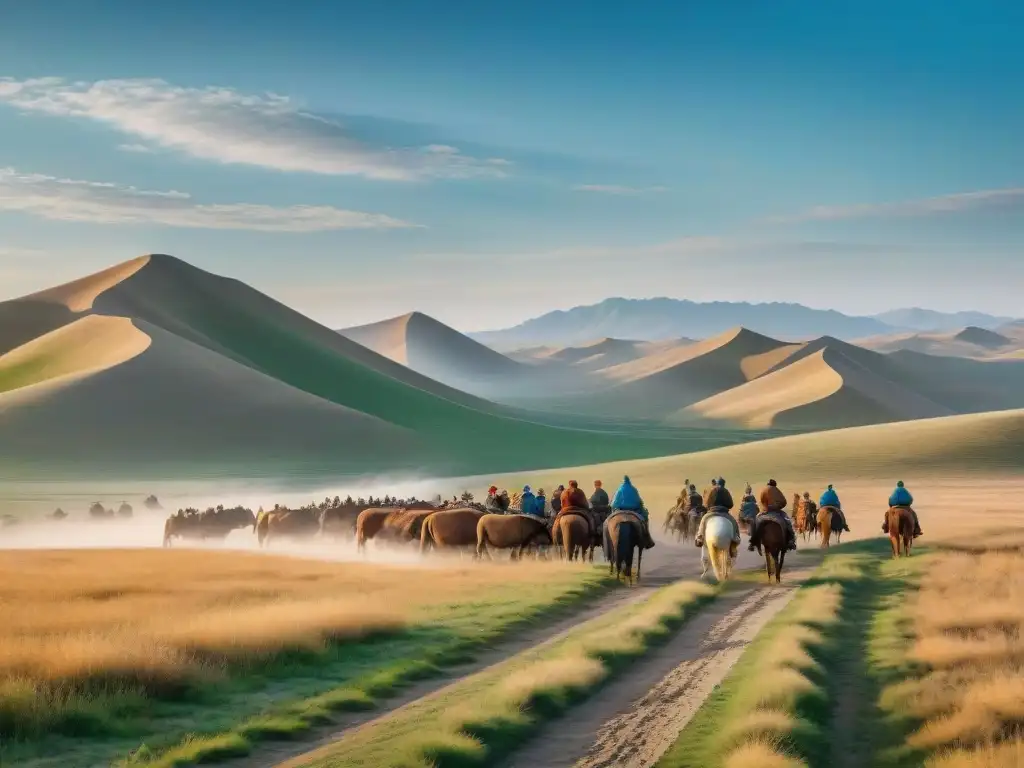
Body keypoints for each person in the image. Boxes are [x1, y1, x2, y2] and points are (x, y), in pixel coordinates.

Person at [694, 478, 741, 552]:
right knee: (734, 522)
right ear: (724, 484)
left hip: (712, 511)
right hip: (724, 512)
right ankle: (736, 538)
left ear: (717, 483)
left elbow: (707, 503)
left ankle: (700, 537)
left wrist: (709, 507)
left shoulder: (712, 491)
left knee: (703, 520)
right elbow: (730, 504)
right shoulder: (726, 491)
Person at [749, 479, 797, 552]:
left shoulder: (764, 490)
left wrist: (765, 507)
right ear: (774, 484)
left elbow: (762, 500)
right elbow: (784, 502)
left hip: (765, 511)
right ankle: (791, 540)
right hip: (776, 511)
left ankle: (753, 542)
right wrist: (778, 506)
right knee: (787, 521)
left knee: (755, 521)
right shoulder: (777, 490)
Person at [611, 475, 656, 549]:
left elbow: (614, 503)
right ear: (629, 481)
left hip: (620, 510)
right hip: (633, 510)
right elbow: (639, 502)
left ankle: (608, 540)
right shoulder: (633, 489)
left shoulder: (619, 489)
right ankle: (647, 539)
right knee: (644, 520)